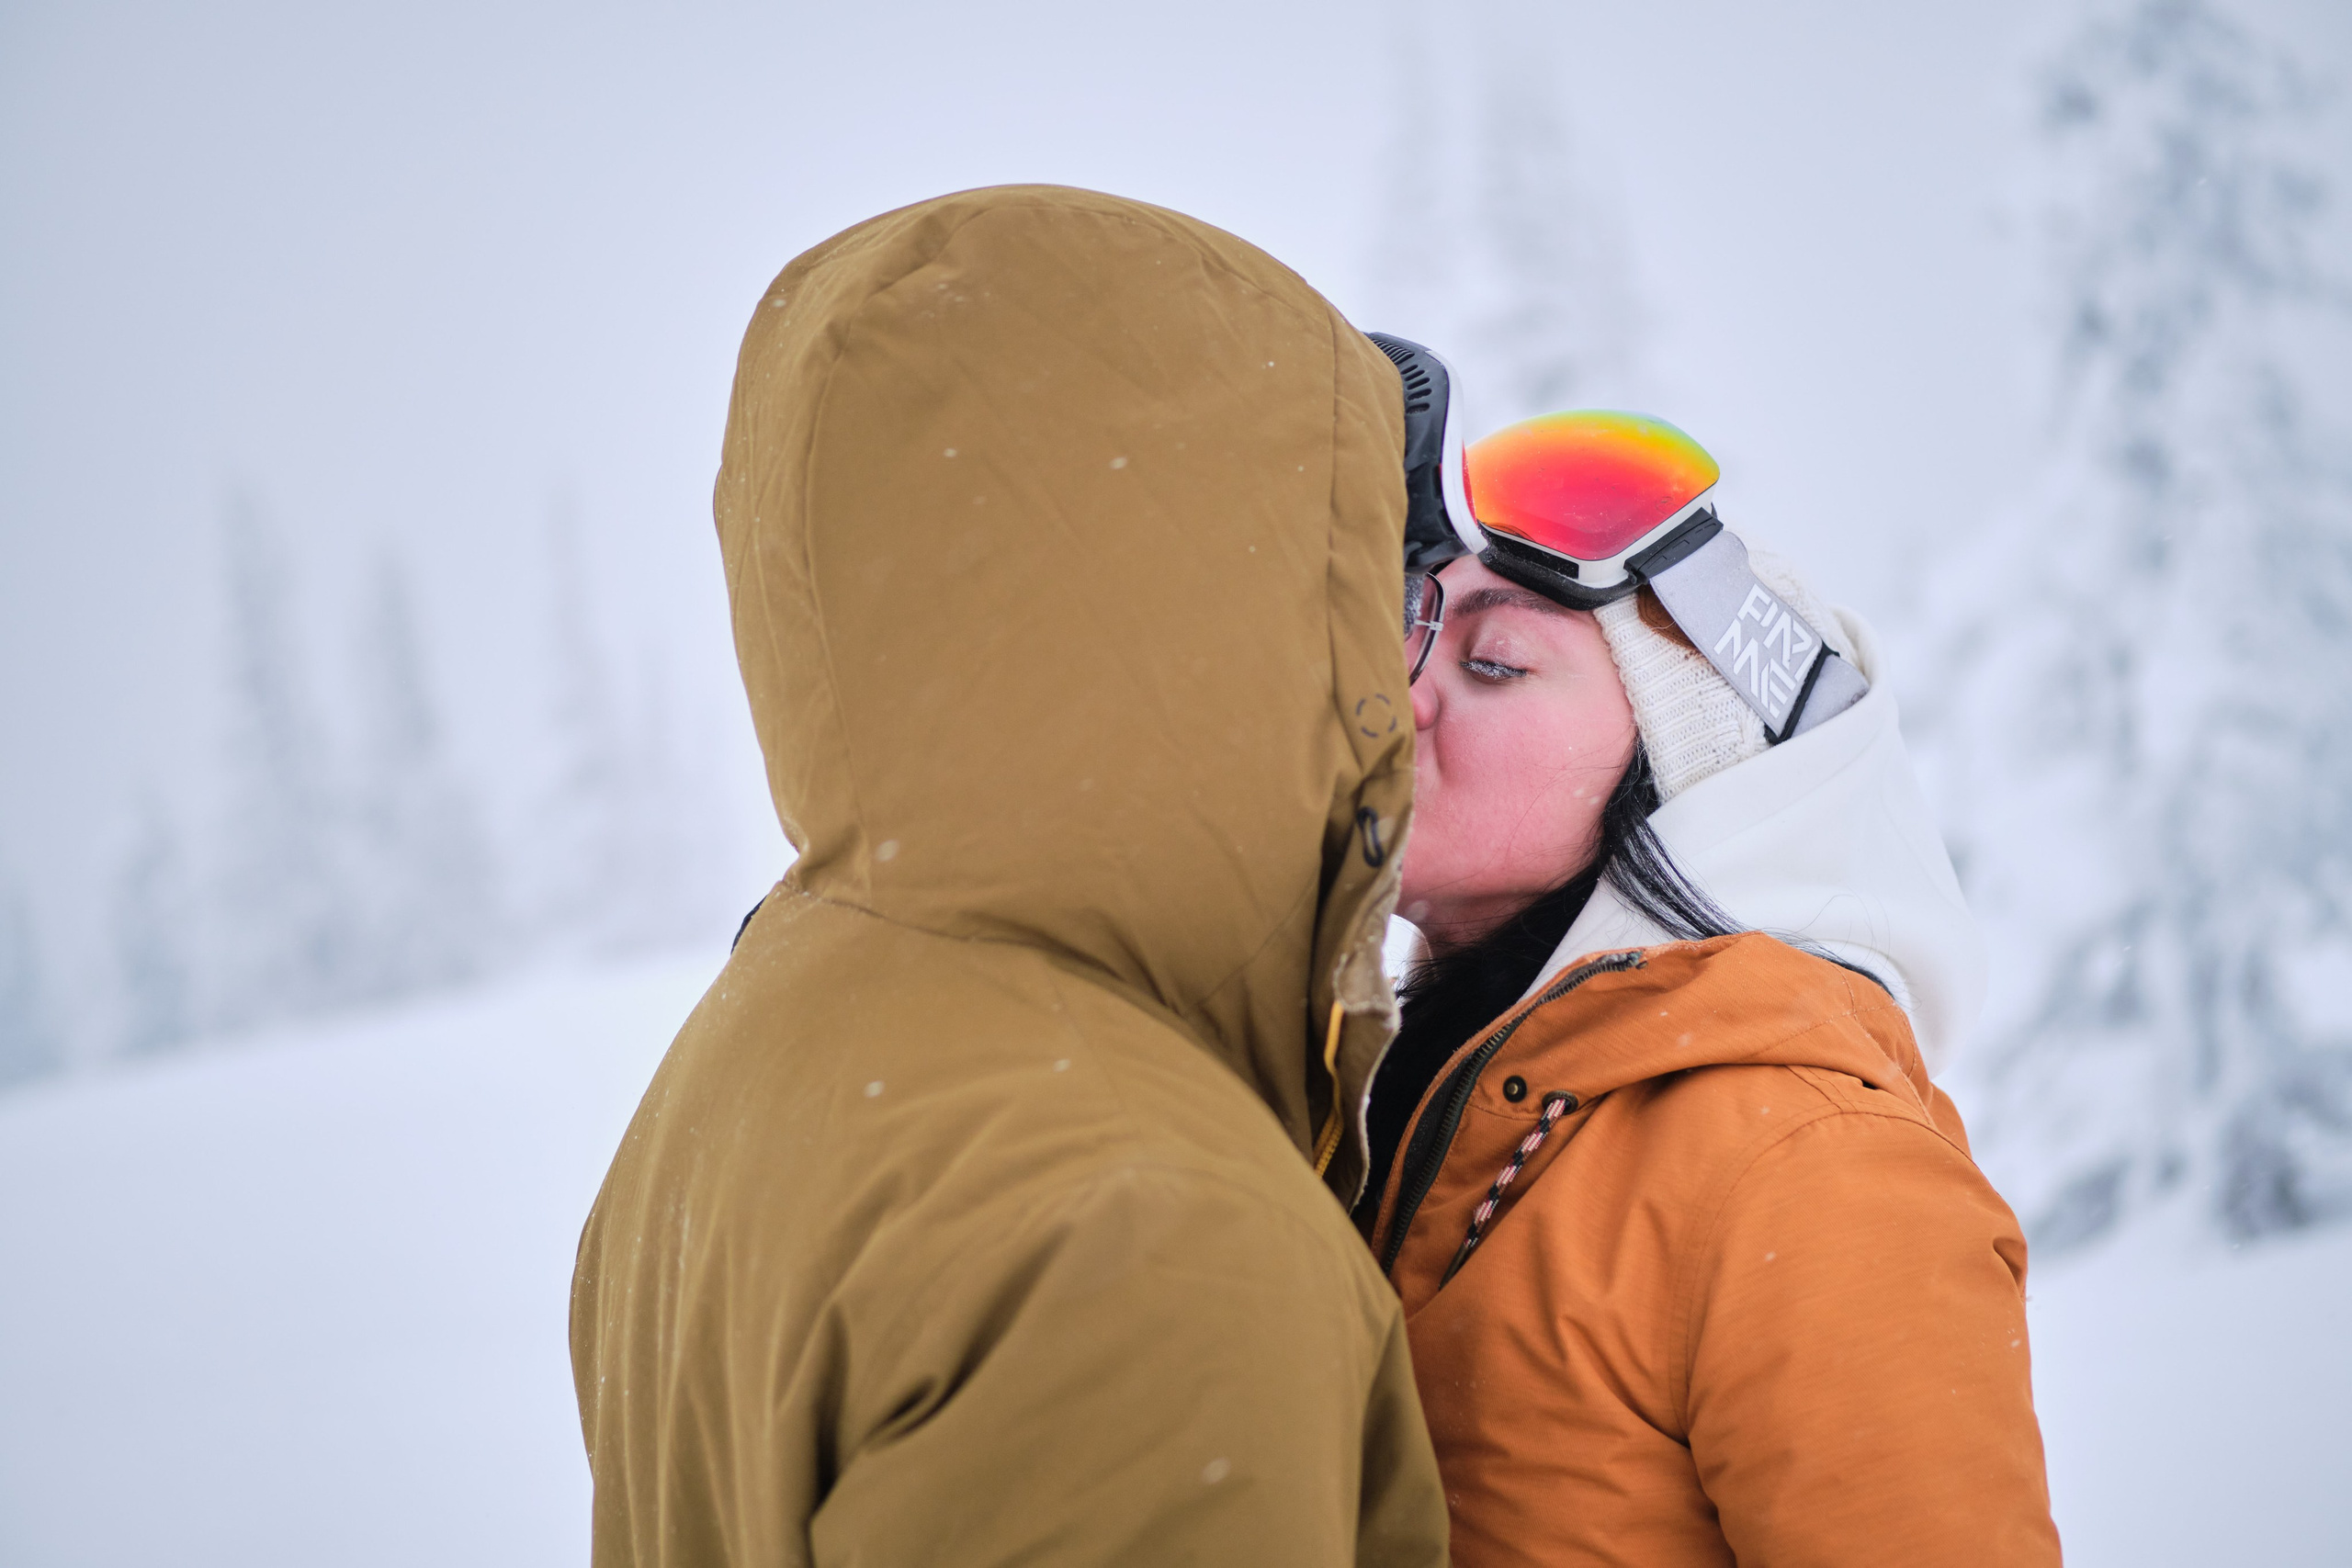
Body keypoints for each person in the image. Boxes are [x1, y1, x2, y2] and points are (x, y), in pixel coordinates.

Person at [569, 186, 1452, 1567]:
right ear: (1229, 608)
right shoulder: (1144, 1239)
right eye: (1359, 579)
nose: (1398, 667)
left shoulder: (772, 1034)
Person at [1359, 406, 2062, 1566]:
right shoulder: (1408, 1109)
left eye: (1494, 663)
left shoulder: (1809, 1165)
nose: (1405, 698)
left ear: (1694, 781)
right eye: (1406, 646)